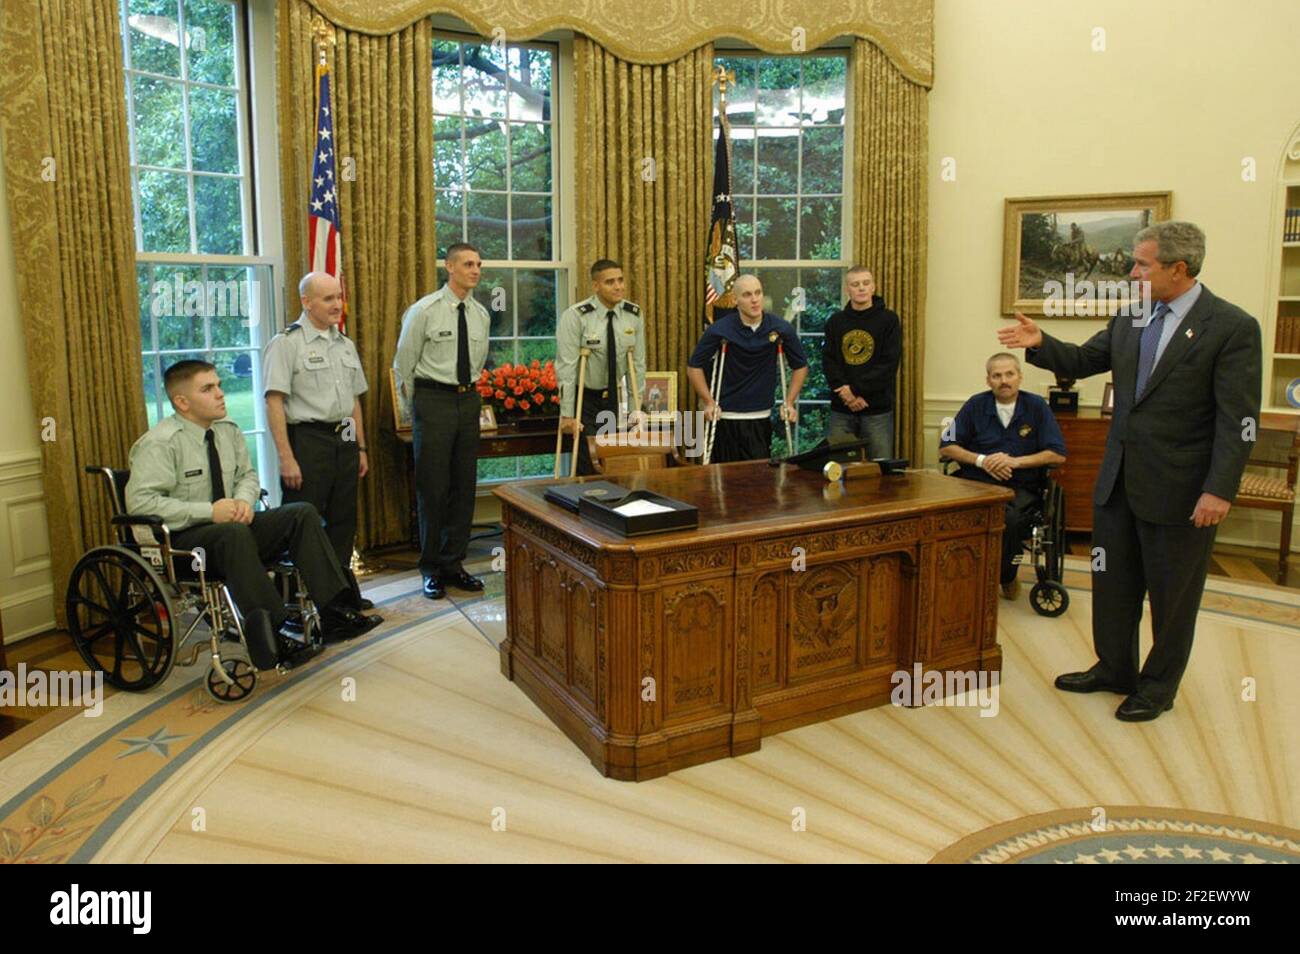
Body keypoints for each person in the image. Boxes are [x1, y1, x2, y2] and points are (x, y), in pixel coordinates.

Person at [997, 220, 1262, 722]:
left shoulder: (1231, 327)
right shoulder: (1132, 317)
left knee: (1172, 597)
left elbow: (1238, 421)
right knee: (1111, 584)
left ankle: (1158, 687)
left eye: (1142, 263)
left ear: (1178, 269)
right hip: (1118, 483)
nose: (1132, 271)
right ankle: (1114, 668)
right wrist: (1039, 341)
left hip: (1182, 491)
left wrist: (1219, 490)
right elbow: (1080, 359)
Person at [125, 360, 381, 670]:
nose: (221, 394)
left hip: (233, 528)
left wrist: (244, 501)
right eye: (208, 389)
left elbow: (247, 476)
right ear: (182, 402)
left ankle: (332, 613)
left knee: (301, 513)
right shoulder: (160, 443)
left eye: (219, 385)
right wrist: (210, 511)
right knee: (232, 533)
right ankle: (273, 632)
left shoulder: (226, 430)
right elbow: (141, 504)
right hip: (186, 543)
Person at [263, 271, 376, 613]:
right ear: (306, 302)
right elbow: (274, 402)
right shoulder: (286, 343)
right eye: (327, 299)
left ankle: (340, 597)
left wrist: (358, 447)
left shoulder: (344, 344)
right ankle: (299, 601)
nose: (337, 305)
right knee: (304, 522)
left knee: (344, 521)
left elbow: (352, 402)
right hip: (308, 440)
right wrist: (286, 456)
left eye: (338, 297)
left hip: (341, 437)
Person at [393, 243, 490, 600]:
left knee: (464, 485)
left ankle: (454, 563)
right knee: (434, 488)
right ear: (449, 267)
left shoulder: (481, 314)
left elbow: (478, 362)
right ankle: (431, 567)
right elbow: (403, 365)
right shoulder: (424, 311)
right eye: (468, 264)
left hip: (468, 399)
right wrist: (416, 409)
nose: (475, 270)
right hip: (433, 400)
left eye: (478, 264)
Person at [939, 353, 1067, 600]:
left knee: (1008, 520)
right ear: (988, 380)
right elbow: (946, 446)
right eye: (997, 375)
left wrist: (1014, 461)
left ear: (1020, 377)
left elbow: (1057, 454)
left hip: (1022, 485)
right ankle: (961, 573)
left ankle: (1006, 576)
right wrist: (983, 460)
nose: (1004, 380)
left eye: (1009, 374)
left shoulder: (1037, 407)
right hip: (976, 483)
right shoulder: (975, 405)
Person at [687, 274, 807, 462]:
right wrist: (708, 401)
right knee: (723, 480)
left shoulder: (779, 328)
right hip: (725, 417)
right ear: (735, 300)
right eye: (747, 295)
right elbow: (694, 366)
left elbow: (800, 365)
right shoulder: (720, 330)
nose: (754, 300)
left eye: (758, 293)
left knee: (757, 480)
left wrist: (789, 401)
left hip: (760, 416)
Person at [555, 259, 647, 475]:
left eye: (620, 280)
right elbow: (566, 368)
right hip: (584, 400)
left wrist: (636, 408)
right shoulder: (577, 316)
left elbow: (638, 364)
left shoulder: (633, 315)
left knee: (611, 462)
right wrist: (567, 414)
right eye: (610, 282)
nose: (618, 287)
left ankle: (612, 505)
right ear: (596, 286)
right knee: (589, 462)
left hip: (613, 401)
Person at [822, 266, 901, 458]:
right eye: (855, 284)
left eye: (866, 283)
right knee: (837, 468)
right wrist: (846, 394)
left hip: (876, 409)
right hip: (842, 408)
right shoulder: (835, 321)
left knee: (881, 468)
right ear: (847, 289)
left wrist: (856, 391)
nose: (861, 288)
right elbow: (829, 361)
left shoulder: (889, 320)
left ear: (873, 287)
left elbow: (889, 363)